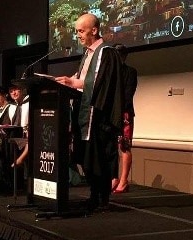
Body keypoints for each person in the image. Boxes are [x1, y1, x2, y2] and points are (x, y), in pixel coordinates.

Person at [55, 13, 125, 212]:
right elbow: (81, 79)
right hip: (85, 114)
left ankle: (102, 198)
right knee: (87, 158)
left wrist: (73, 82)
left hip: (99, 117)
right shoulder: (87, 54)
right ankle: (94, 195)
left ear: (94, 30)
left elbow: (101, 85)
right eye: (77, 31)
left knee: (99, 158)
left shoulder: (107, 53)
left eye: (81, 31)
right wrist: (63, 81)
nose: (78, 35)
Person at [111, 44, 138, 193]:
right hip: (111, 114)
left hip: (124, 113)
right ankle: (114, 178)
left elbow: (128, 95)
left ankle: (123, 180)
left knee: (124, 146)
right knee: (111, 147)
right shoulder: (110, 73)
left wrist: (119, 112)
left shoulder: (130, 72)